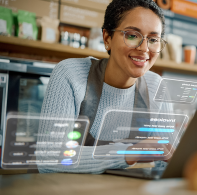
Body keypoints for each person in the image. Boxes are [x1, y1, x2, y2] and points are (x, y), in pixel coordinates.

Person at [37, 0, 173, 174]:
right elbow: (48, 158)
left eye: (153, 39)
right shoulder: (71, 74)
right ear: (107, 38)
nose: (145, 48)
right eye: (132, 35)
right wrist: (127, 153)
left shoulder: (156, 86)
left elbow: (169, 159)